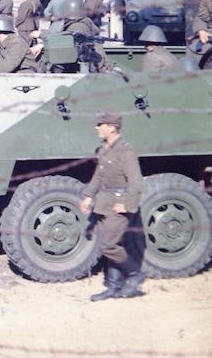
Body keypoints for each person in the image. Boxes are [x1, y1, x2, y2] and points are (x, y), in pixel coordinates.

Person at [80, 110, 145, 301]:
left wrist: (127, 205)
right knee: (111, 244)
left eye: (100, 125)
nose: (96, 128)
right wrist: (88, 196)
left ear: (111, 127)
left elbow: (136, 182)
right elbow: (99, 176)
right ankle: (113, 287)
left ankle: (135, 274)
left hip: (119, 203)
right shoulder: (104, 149)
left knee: (108, 245)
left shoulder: (125, 151)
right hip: (104, 202)